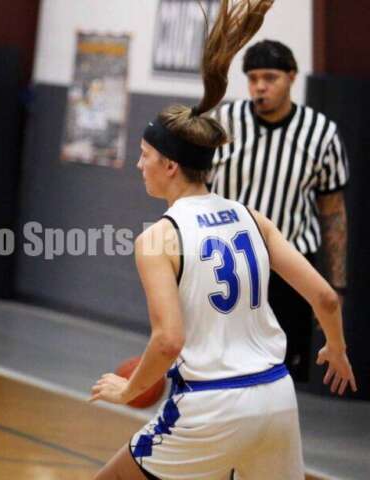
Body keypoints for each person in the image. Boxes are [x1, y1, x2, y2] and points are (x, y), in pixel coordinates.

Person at [90, 1, 357, 479]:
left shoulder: (158, 239)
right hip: (277, 398)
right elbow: (324, 298)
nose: (138, 164)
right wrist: (335, 349)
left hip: (211, 406)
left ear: (170, 165)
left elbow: (169, 341)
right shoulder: (255, 218)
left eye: (144, 154)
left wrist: (127, 392)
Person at [209, 39, 350, 382]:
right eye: (253, 77)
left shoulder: (321, 133)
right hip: (226, 261)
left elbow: (333, 212)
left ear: (291, 77)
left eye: (270, 77)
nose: (260, 86)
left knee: (279, 371)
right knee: (217, 362)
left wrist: (335, 285)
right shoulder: (223, 122)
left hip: (290, 267)